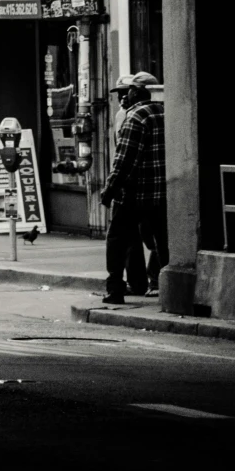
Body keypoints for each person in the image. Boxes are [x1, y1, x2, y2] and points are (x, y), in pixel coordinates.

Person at [100, 72, 166, 305]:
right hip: (161, 192)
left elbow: (125, 160)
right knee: (162, 241)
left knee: (117, 239)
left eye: (128, 91)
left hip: (134, 193)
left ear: (137, 92)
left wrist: (109, 190)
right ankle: (167, 288)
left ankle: (115, 288)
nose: (125, 96)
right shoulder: (166, 112)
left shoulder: (136, 116)